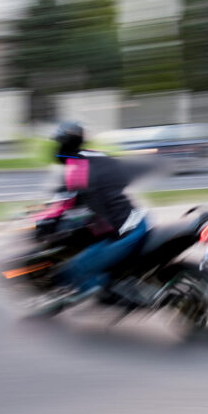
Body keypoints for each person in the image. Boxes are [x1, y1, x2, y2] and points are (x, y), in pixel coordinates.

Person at [46, 121, 154, 306]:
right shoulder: (98, 156)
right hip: (139, 218)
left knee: (76, 268)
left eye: (59, 143)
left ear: (64, 143)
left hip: (125, 233)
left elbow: (64, 204)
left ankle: (115, 297)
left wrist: (46, 223)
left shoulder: (76, 168)